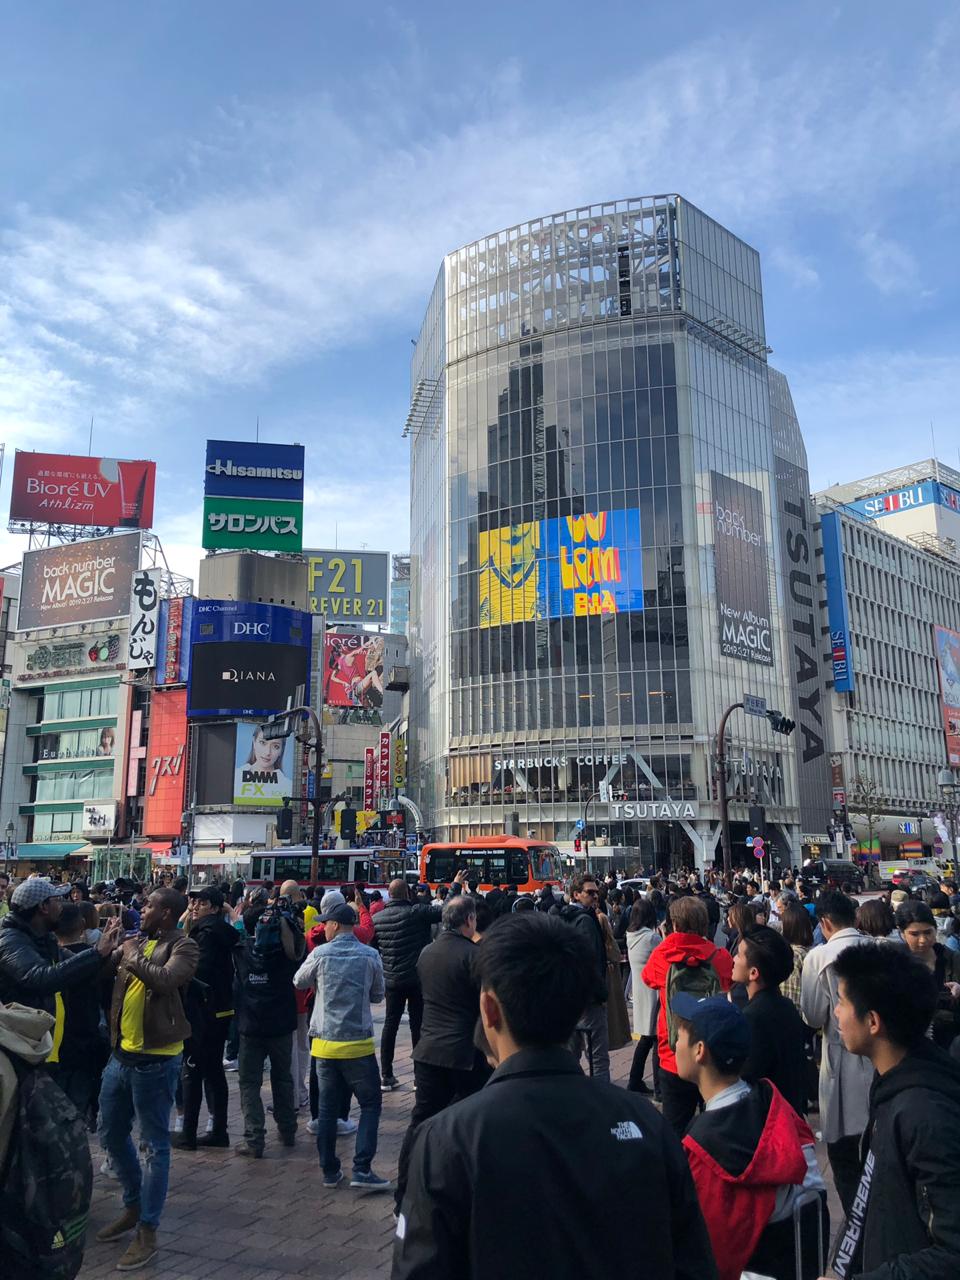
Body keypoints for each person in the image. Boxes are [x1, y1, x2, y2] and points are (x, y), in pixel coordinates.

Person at [393, 913, 718, 1280]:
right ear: (579, 1008)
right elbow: (693, 1262)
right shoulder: (646, 1123)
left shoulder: (445, 1140)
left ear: (489, 1009)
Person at [828, 942, 960, 1280]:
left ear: (872, 1021)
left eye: (842, 1002)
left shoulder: (925, 1113)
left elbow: (952, 1253)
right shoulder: (892, 1081)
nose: (836, 1013)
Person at [673, 994, 825, 1280]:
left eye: (679, 1037)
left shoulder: (702, 1149)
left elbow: (702, 1252)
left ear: (699, 1051)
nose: (673, 1045)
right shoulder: (775, 1106)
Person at [96, 888, 199, 1271]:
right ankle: (133, 1203)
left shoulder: (183, 946)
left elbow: (167, 981)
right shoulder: (138, 942)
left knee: (155, 1147)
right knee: (109, 1132)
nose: (143, 909)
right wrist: (107, 952)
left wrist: (133, 955)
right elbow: (112, 981)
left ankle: (148, 1230)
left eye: (151, 905)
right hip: (121, 1055)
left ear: (168, 913)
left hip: (156, 1061)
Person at [394, 893, 488, 1213]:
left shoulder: (427, 953)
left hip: (428, 1049)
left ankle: (404, 1193)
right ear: (469, 920)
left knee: (421, 1120)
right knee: (471, 1123)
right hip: (465, 1052)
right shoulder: (474, 955)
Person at [293, 900, 389, 1189]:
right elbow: (377, 996)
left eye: (326, 924)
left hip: (324, 1043)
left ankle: (329, 1170)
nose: (324, 928)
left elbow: (298, 981)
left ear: (335, 925)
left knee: (326, 1109)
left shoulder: (320, 953)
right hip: (358, 1042)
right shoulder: (370, 955)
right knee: (370, 1103)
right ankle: (361, 1168)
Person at [800, 890, 873, 1217]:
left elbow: (813, 1015)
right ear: (855, 918)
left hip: (839, 1057)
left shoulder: (819, 956)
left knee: (844, 1157)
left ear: (825, 923)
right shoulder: (876, 947)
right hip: (879, 1055)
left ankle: (855, 1227)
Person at [642, 895, 734, 1134]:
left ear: (674, 924)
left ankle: (679, 1169)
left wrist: (667, 941)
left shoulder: (662, 955)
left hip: (673, 1052)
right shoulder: (719, 956)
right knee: (716, 1125)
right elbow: (729, 981)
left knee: (674, 1127)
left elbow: (648, 979)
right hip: (712, 1050)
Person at [233, 896, 305, 1157]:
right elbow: (300, 950)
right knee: (282, 1077)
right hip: (282, 1023)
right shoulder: (287, 956)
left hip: (250, 1024)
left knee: (249, 1082)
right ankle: (287, 1130)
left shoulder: (241, 951)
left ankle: (254, 1139)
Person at [373, 876, 460, 1090]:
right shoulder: (416, 912)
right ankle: (418, 1076)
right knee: (417, 1025)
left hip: (391, 979)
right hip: (416, 977)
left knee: (389, 1025)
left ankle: (386, 1074)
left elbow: (374, 948)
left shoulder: (378, 918)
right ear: (407, 893)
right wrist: (455, 886)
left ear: (389, 894)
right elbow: (446, 911)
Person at [172, 887, 240, 1150]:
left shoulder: (205, 934)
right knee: (213, 1070)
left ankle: (188, 1133)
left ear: (213, 907)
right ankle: (217, 1129)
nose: (194, 905)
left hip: (201, 1011)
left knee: (191, 1069)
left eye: (201, 902)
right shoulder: (222, 932)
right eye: (193, 901)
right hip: (221, 1008)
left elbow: (195, 971)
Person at [0, 877, 120, 1016]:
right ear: (43, 907)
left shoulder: (43, 937)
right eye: (57, 900)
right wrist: (97, 953)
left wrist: (116, 952)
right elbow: (41, 978)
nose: (61, 906)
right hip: (20, 1035)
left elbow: (78, 967)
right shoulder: (9, 940)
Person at [731, 924, 808, 1116]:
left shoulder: (753, 1017)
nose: (733, 959)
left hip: (767, 1123)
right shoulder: (785, 1006)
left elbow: (747, 1080)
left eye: (739, 955)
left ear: (754, 973)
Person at [48, 902, 110, 1118]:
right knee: (76, 1106)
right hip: (85, 1039)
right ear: (82, 924)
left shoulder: (45, 957)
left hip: (52, 1042)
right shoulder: (95, 958)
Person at [558, 873, 610, 1081]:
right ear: (576, 894)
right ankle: (602, 1103)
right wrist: (598, 993)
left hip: (569, 999)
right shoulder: (585, 922)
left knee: (570, 1055)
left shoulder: (564, 917)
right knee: (598, 1058)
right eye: (590, 892)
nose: (595, 896)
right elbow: (591, 961)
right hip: (588, 1000)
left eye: (597, 892)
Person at [895, 900, 960, 1051]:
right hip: (910, 1047)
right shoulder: (895, 963)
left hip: (950, 1045)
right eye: (914, 934)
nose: (923, 940)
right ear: (902, 934)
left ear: (936, 930)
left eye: (927, 932)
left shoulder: (952, 959)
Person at [626, 896, 661, 1096]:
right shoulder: (651, 937)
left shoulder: (631, 935)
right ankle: (659, 1087)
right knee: (655, 1040)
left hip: (639, 991)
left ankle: (634, 1079)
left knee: (646, 1039)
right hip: (652, 992)